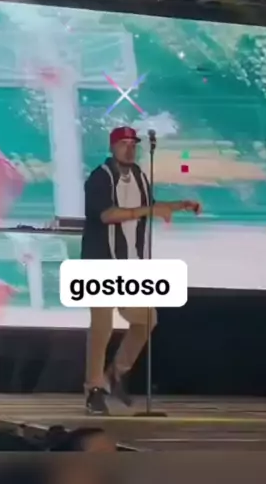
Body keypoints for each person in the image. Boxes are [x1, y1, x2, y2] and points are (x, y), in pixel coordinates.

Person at [82, 125, 202, 415]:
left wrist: (179, 205)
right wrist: (149, 211)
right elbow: (107, 215)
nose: (129, 148)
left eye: (133, 144)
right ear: (112, 147)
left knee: (147, 318)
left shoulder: (139, 175)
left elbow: (149, 206)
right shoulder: (100, 177)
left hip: (131, 263)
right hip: (101, 263)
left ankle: (115, 374)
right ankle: (93, 388)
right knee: (102, 326)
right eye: (123, 143)